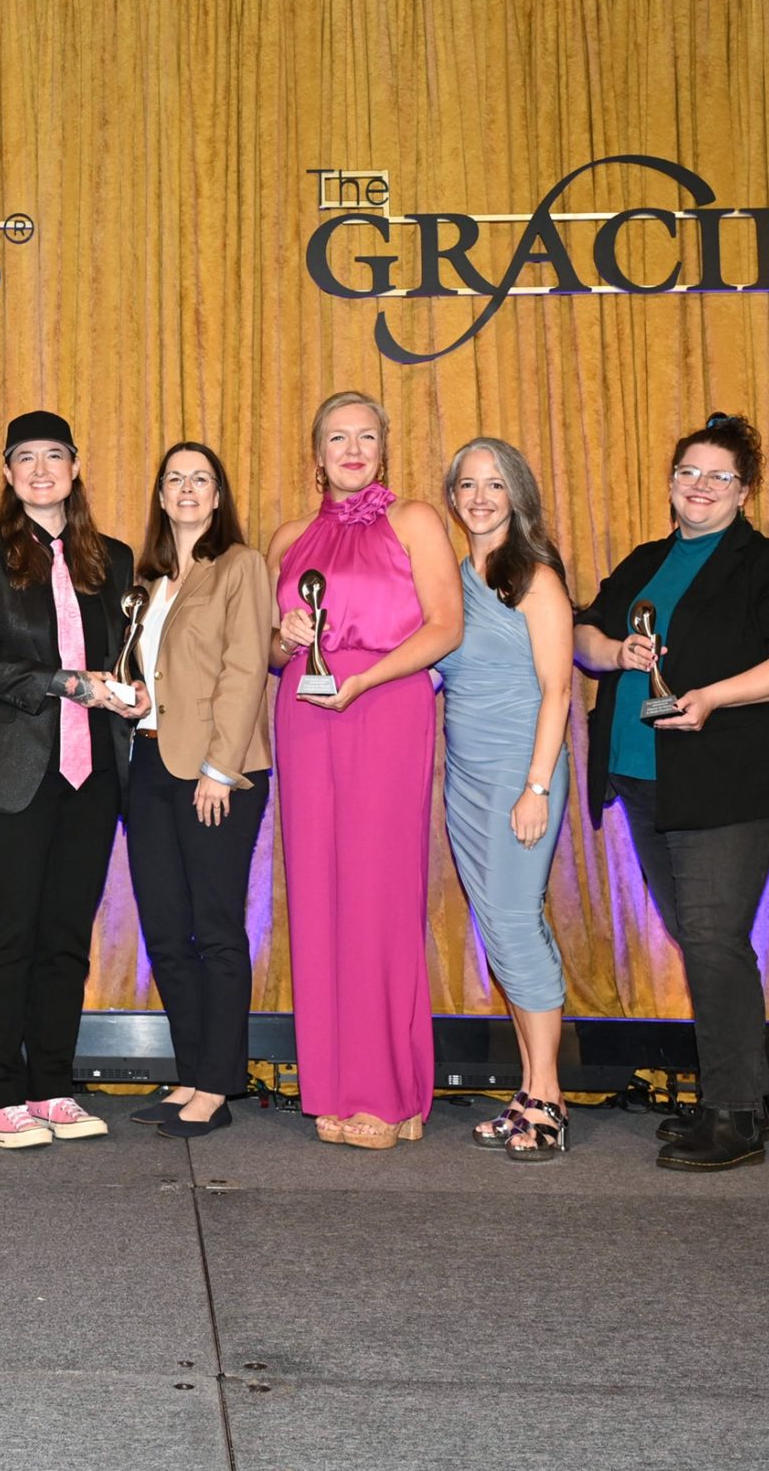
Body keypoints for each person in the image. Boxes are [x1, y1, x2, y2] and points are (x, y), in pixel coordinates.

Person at [574, 414, 769, 1171]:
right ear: (671, 482)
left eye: (720, 476)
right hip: (644, 778)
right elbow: (584, 632)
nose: (701, 486)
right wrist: (615, 650)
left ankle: (735, 1115)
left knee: (714, 939)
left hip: (727, 779)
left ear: (744, 492)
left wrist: (714, 696)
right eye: (689, 472)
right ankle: (744, 1089)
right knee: (702, 940)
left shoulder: (765, 563)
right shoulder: (646, 560)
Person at [266, 391, 462, 1151]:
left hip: (385, 706)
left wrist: (364, 681)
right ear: (316, 455)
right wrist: (286, 639)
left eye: (367, 437)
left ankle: (387, 1090)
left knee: (380, 895)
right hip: (305, 716)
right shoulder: (289, 537)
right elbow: (269, 651)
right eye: (337, 438)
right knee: (319, 896)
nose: (352, 449)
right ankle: (335, 1084)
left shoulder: (415, 521)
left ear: (384, 449)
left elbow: (446, 627)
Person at [0, 410, 139, 1150]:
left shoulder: (113, 559)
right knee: (10, 933)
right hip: (11, 771)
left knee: (65, 937)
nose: (40, 470)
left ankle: (52, 1087)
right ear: (7, 472)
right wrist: (60, 681)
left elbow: (125, 656)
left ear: (75, 466)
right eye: (25, 458)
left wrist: (132, 692)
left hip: (94, 773)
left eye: (53, 455)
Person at [122, 442, 273, 1141]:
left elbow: (245, 669)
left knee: (214, 930)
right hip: (149, 764)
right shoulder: (146, 579)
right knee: (164, 932)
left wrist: (219, 769)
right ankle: (190, 1073)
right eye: (175, 478)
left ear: (218, 495)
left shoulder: (240, 565)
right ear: (160, 495)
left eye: (200, 478)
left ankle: (217, 1084)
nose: (187, 488)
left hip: (218, 771)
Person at [435, 438, 575, 1160]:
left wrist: (536, 787)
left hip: (523, 773)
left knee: (517, 923)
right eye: (467, 485)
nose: (480, 497)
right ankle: (527, 1091)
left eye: (495, 484)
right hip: (467, 777)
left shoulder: (535, 577)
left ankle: (549, 1097)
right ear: (452, 497)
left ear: (517, 494)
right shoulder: (454, 579)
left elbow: (559, 689)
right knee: (499, 928)